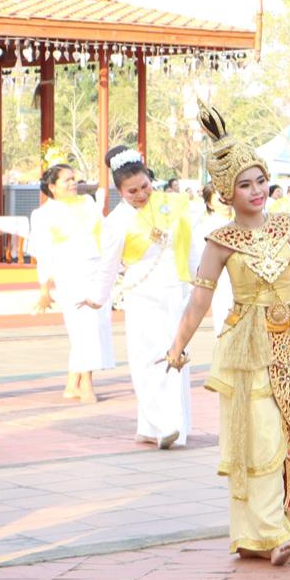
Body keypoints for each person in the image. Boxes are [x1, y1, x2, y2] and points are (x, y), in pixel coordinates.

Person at [162, 108, 290, 564]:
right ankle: (271, 533)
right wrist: (178, 346)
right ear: (225, 192)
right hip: (248, 348)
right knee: (260, 437)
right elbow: (199, 302)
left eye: (260, 180)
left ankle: (283, 528)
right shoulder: (219, 242)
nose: (257, 191)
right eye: (245, 184)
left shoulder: (285, 225)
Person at [98, 147, 198, 448]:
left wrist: (198, 282)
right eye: (132, 191)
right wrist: (97, 298)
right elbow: (108, 264)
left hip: (177, 289)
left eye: (144, 186)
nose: (141, 194)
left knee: (176, 354)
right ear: (120, 191)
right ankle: (164, 423)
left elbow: (189, 245)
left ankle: (156, 426)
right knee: (148, 358)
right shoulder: (116, 222)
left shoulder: (171, 204)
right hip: (142, 292)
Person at [30, 159, 112, 403]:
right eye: (67, 180)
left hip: (96, 271)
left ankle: (72, 383)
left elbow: (106, 234)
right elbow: (43, 254)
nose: (73, 183)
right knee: (81, 328)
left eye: (74, 179)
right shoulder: (43, 214)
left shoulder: (88, 203)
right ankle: (86, 383)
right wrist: (44, 288)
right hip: (70, 275)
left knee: (95, 326)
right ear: (52, 187)